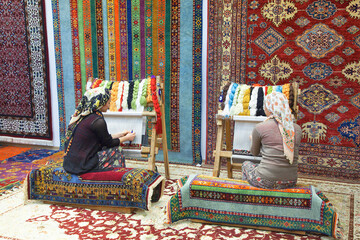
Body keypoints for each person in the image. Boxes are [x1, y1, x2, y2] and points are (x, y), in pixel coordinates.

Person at [63, 86, 136, 175]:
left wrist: (121, 134)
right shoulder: (97, 121)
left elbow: (102, 138)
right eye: (108, 103)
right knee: (117, 150)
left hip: (71, 163)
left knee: (106, 148)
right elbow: (108, 143)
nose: (109, 106)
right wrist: (127, 138)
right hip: (82, 165)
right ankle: (117, 177)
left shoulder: (86, 116)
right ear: (100, 103)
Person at [242, 91, 302, 189]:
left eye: (265, 106)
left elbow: (254, 153)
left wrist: (253, 139)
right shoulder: (297, 129)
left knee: (246, 165)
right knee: (260, 167)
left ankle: (250, 196)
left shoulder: (260, 127)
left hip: (265, 180)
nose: (264, 108)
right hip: (291, 181)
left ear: (269, 108)